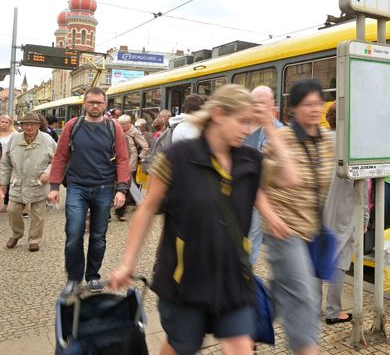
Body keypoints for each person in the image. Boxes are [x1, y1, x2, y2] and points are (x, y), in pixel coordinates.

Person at [109, 84, 298, 355]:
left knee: (241, 346)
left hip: (233, 280)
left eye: (251, 123)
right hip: (184, 281)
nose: (247, 129)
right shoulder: (178, 157)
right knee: (180, 347)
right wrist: (127, 263)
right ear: (219, 114)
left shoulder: (250, 161)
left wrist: (270, 127)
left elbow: (292, 178)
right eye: (242, 121)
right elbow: (147, 208)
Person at [264, 78, 335, 355]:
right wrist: (270, 216)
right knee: (305, 296)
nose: (315, 109)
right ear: (293, 108)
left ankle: (242, 327)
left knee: (281, 295)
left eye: (319, 103)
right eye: (308, 104)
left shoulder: (327, 140)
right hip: (284, 230)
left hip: (314, 231)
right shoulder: (280, 139)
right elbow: (256, 183)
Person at [48, 87, 130, 295]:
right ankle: (74, 279)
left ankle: (93, 276)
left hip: (104, 188)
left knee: (98, 236)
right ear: (84, 104)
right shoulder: (72, 126)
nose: (95, 106)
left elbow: (122, 159)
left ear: (105, 105)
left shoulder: (114, 128)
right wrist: (54, 186)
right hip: (77, 187)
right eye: (91, 102)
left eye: (99, 103)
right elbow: (60, 157)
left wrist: (121, 189)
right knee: (74, 233)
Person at [323, 101, 368, 325]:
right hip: (345, 209)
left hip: (322, 209)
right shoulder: (352, 145)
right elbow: (362, 186)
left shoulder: (320, 141)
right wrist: (365, 218)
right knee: (340, 259)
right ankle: (333, 311)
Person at [0, 113, 56, 252]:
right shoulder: (15, 138)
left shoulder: (47, 139)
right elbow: (6, 162)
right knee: (12, 210)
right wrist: (3, 183)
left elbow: (57, 160)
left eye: (32, 124)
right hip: (18, 181)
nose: (29, 127)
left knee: (38, 213)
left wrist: (48, 172)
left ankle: (34, 239)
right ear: (22, 125)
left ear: (38, 125)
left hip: (38, 182)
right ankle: (16, 233)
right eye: (26, 124)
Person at [244, 85, 283, 266]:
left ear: (272, 105)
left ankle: (244, 276)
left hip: (260, 196)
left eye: (263, 103)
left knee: (250, 241)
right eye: (255, 102)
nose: (258, 107)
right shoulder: (241, 124)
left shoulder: (278, 131)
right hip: (238, 192)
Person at [116, 114, 149, 220]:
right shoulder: (118, 130)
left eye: (123, 124)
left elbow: (145, 146)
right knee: (128, 184)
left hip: (130, 163)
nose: (121, 126)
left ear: (129, 123)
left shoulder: (134, 132)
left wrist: (139, 157)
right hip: (120, 161)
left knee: (128, 184)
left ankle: (122, 210)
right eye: (120, 124)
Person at [0, 114, 17, 213]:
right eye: (2, 122)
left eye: (6, 122)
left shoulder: (14, 134)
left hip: (8, 162)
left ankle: (6, 204)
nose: (4, 124)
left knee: (6, 183)